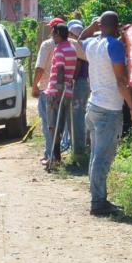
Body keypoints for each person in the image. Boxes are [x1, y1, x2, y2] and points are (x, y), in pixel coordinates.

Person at [84, 11, 132, 216]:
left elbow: (76, 43)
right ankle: (98, 202)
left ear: (100, 25)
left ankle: (97, 197)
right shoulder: (114, 46)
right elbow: (121, 81)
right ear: (116, 26)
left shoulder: (91, 44)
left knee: (96, 155)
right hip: (109, 109)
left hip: (94, 105)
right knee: (102, 157)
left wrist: (90, 28)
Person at [32, 17, 67, 165]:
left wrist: (34, 86)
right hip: (64, 90)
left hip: (47, 89)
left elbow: (40, 67)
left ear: (53, 30)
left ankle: (51, 155)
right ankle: (57, 153)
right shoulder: (69, 45)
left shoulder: (47, 45)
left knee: (48, 124)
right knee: (60, 124)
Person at [44, 23, 77, 166]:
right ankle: (56, 157)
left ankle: (55, 158)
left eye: (53, 33)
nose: (52, 36)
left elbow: (60, 70)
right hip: (67, 91)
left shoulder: (59, 49)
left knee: (53, 126)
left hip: (56, 92)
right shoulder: (72, 48)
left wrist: (57, 91)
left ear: (57, 33)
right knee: (60, 124)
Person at [67, 19, 90, 157]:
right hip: (85, 83)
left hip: (78, 84)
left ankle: (78, 148)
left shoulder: (75, 45)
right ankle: (81, 145)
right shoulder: (85, 44)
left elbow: (78, 65)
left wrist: (71, 80)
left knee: (76, 116)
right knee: (82, 114)